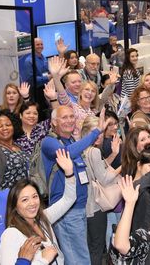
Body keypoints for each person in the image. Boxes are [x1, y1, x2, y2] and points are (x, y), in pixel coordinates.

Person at [39, 105, 107, 264]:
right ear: (54, 122)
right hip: (66, 211)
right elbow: (66, 154)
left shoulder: (70, 140)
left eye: (72, 116)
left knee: (81, 255)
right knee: (78, 259)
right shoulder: (49, 142)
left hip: (80, 208)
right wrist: (96, 132)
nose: (70, 120)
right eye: (64, 117)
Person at [0, 149, 76, 265]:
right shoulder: (10, 235)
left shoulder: (43, 218)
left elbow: (69, 199)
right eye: (25, 200)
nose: (32, 203)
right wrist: (43, 260)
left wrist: (69, 173)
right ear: (14, 205)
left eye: (35, 197)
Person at [81, 116, 122, 265]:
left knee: (91, 245)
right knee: (97, 247)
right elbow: (104, 178)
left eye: (100, 132)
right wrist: (123, 167)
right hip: (95, 205)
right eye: (95, 132)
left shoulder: (82, 149)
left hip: (86, 206)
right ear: (86, 132)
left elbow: (99, 167)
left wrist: (114, 154)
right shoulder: (94, 151)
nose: (99, 136)